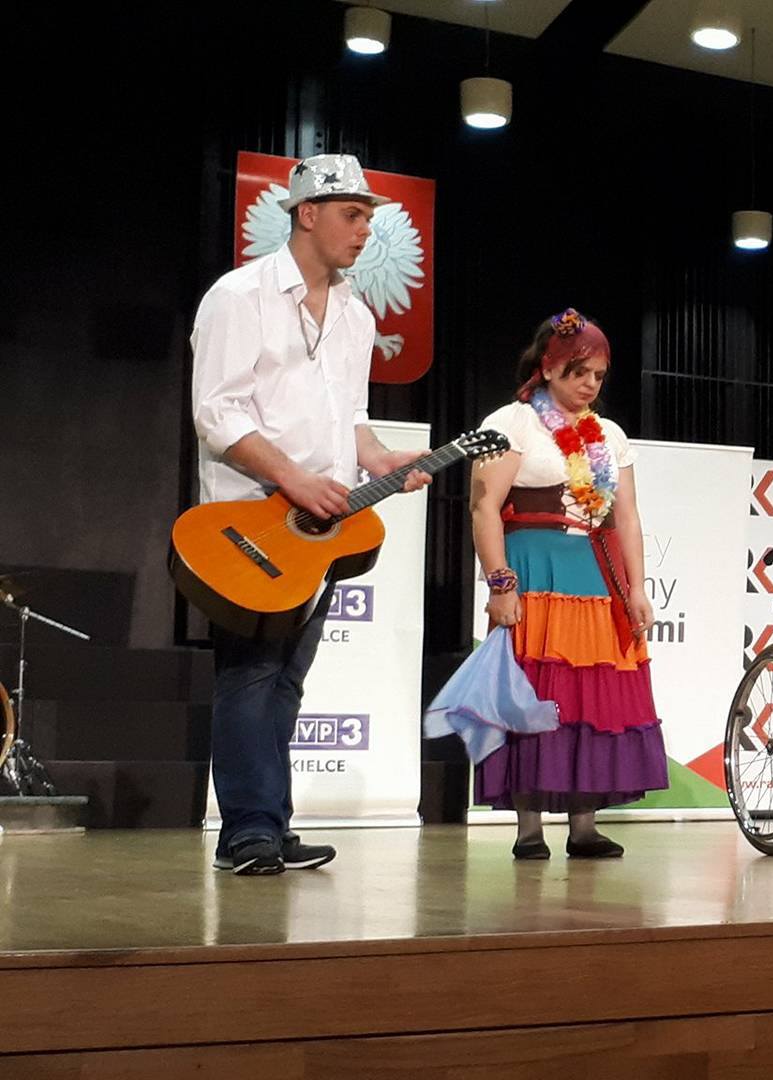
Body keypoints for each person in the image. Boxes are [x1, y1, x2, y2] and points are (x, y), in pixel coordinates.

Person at [190, 153, 429, 875]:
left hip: (319, 530)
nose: (364, 231)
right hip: (249, 525)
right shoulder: (240, 296)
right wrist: (293, 479)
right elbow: (217, 412)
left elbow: (349, 418)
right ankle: (247, 831)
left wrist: (380, 459)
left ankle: (269, 823)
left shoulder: (356, 314)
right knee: (250, 673)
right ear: (307, 213)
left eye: (368, 218)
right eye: (352, 215)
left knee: (287, 679)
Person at [467, 309, 670, 860]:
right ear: (548, 367)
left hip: (594, 571)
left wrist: (637, 588)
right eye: (579, 372)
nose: (589, 384)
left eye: (598, 375)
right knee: (537, 691)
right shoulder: (512, 422)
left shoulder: (609, 435)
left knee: (591, 695)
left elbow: (626, 516)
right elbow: (484, 508)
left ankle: (584, 827)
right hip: (533, 570)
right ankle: (528, 830)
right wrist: (500, 584)